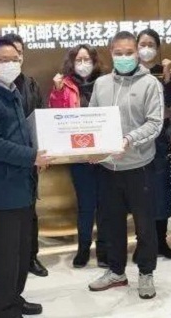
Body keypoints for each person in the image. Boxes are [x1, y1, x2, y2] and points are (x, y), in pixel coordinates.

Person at [0, 38, 50, 318]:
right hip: (2, 189)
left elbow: (22, 133)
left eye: (15, 59)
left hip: (22, 185)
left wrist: (36, 156)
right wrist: (32, 156)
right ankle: (5, 308)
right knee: (5, 255)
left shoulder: (13, 90)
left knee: (21, 251)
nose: (10, 64)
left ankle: (15, 298)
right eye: (3, 60)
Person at [87, 31, 164, 300]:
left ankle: (146, 273)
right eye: (118, 53)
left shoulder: (150, 84)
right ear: (111, 53)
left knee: (145, 226)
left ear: (137, 53)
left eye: (129, 52)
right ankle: (116, 272)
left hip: (140, 167)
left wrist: (128, 140)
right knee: (112, 225)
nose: (124, 57)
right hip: (108, 169)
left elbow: (155, 123)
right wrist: (91, 149)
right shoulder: (101, 84)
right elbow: (92, 120)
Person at [48, 44, 108, 268]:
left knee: (105, 205)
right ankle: (83, 248)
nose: (83, 64)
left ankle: (104, 249)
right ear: (72, 63)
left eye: (87, 59)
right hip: (79, 156)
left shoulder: (106, 82)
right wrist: (57, 91)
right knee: (86, 204)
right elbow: (57, 118)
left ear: (94, 61)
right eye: (79, 60)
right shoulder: (64, 84)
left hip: (104, 155)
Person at [136, 29, 171, 260]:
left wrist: (166, 78)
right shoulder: (129, 73)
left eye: (151, 44)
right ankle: (143, 243)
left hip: (161, 139)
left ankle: (162, 241)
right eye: (142, 44)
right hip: (137, 140)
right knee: (140, 194)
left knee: (161, 191)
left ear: (157, 48)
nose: (146, 48)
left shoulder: (165, 71)